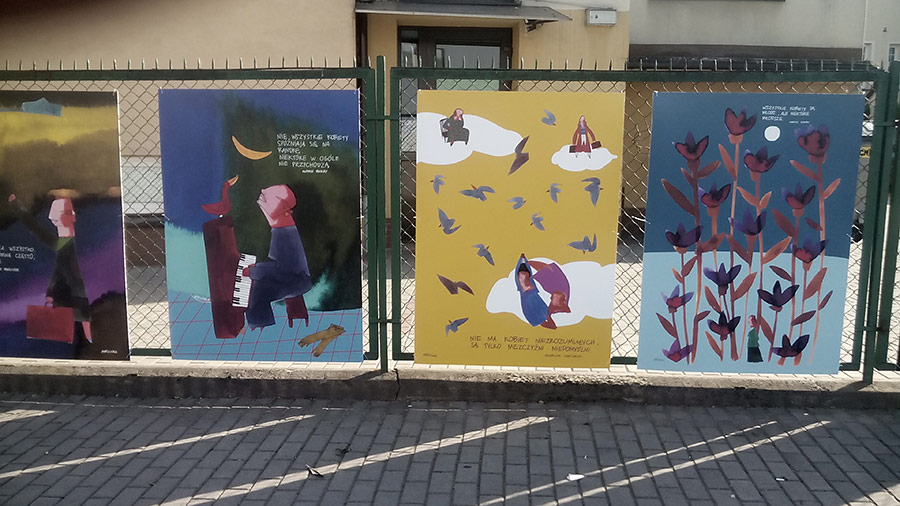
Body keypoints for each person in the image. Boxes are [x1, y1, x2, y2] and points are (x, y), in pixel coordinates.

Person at [8, 194, 92, 345]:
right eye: (68, 212)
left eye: (71, 212)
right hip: (72, 291)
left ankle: (88, 338)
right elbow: (60, 267)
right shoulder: (64, 243)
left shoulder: (67, 243)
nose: (72, 216)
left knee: (82, 319)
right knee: (80, 318)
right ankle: (87, 339)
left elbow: (61, 267)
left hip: (73, 291)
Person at [242, 185, 312, 329]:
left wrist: (255, 271)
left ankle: (259, 323)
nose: (263, 194)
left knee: (260, 291)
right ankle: (258, 322)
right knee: (259, 286)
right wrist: (257, 269)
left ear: (285, 210)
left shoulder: (285, 233)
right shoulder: (281, 228)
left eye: (269, 198)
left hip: (296, 279)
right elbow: (281, 265)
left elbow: (284, 269)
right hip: (291, 275)